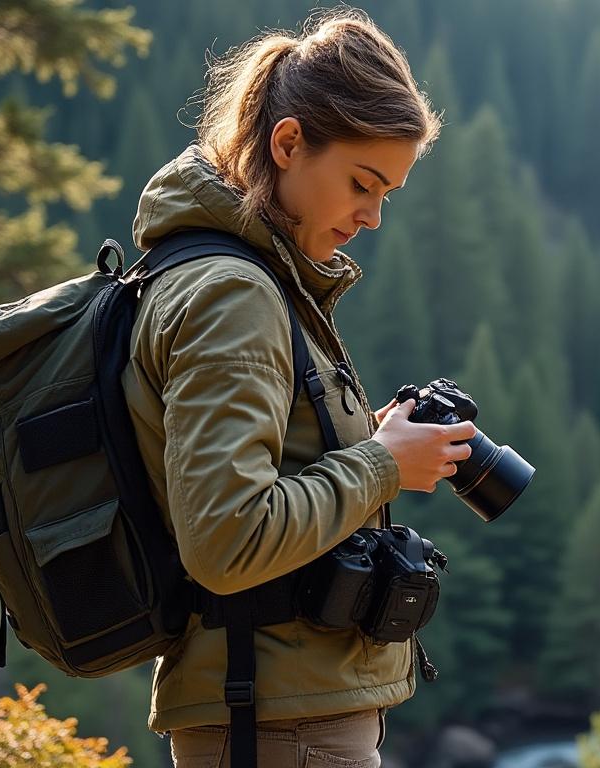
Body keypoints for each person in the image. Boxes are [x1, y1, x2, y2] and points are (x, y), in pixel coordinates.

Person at [120, 8, 474, 767]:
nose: (374, 216)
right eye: (362, 183)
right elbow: (227, 538)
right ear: (288, 144)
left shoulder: (238, 277)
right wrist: (381, 464)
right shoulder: (233, 295)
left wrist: (367, 439)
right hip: (275, 725)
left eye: (390, 193)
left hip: (280, 714)